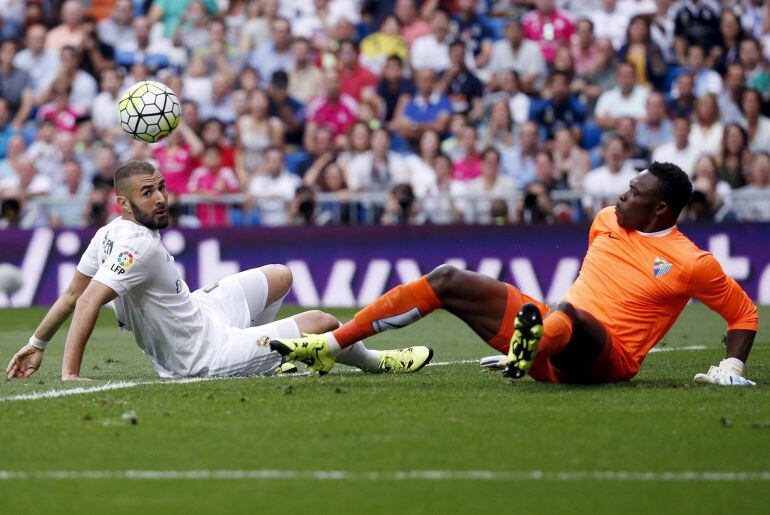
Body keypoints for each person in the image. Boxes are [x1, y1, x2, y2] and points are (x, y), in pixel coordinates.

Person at [270, 162, 759, 388]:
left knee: (571, 315)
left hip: (604, 360)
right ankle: (331, 348)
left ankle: (533, 344)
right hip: (550, 334)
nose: (621, 197)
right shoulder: (606, 221)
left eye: (634, 193)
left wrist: (731, 368)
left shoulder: (692, 261)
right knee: (447, 278)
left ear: (660, 210)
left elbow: (743, 313)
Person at [6, 161, 432, 381]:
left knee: (280, 275)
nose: (160, 199)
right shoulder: (133, 244)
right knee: (321, 322)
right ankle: (377, 363)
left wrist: (35, 342)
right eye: (147, 193)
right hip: (202, 357)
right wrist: (69, 374)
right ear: (122, 203)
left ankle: (273, 358)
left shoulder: (110, 233)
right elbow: (83, 301)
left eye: (161, 188)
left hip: (201, 312)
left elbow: (68, 296)